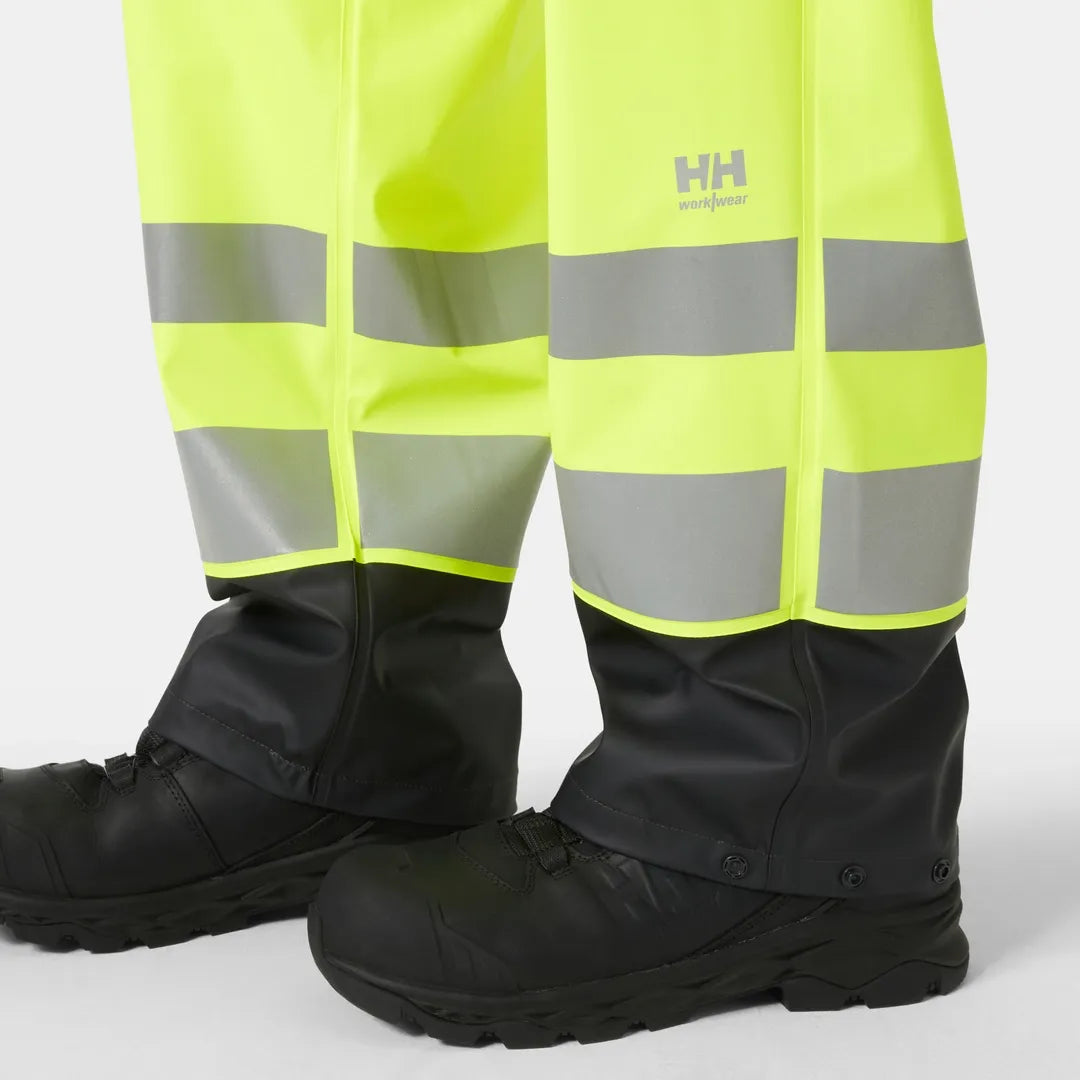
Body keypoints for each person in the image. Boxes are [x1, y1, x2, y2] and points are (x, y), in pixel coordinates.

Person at [0, 0, 985, 1048]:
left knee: (705, 59)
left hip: (793, 781)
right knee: (329, 47)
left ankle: (777, 786)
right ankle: (345, 710)